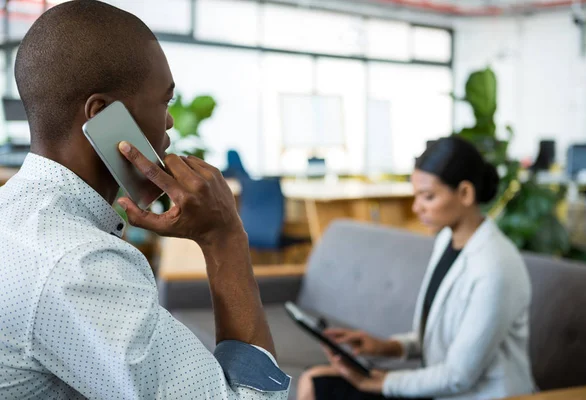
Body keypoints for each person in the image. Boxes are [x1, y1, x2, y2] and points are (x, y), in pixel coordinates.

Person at [0, 1, 289, 399]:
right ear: (102, 116)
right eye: (165, 101)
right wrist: (225, 238)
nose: (169, 121)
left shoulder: (15, 215)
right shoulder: (75, 262)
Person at [297, 136, 536, 400]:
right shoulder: (447, 240)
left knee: (320, 385)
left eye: (428, 197)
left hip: (478, 395)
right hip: (441, 387)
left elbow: (458, 375)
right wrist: (386, 347)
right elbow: (439, 338)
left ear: (465, 193)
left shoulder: (494, 268)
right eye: (416, 196)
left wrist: (381, 382)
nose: (416, 208)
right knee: (316, 380)